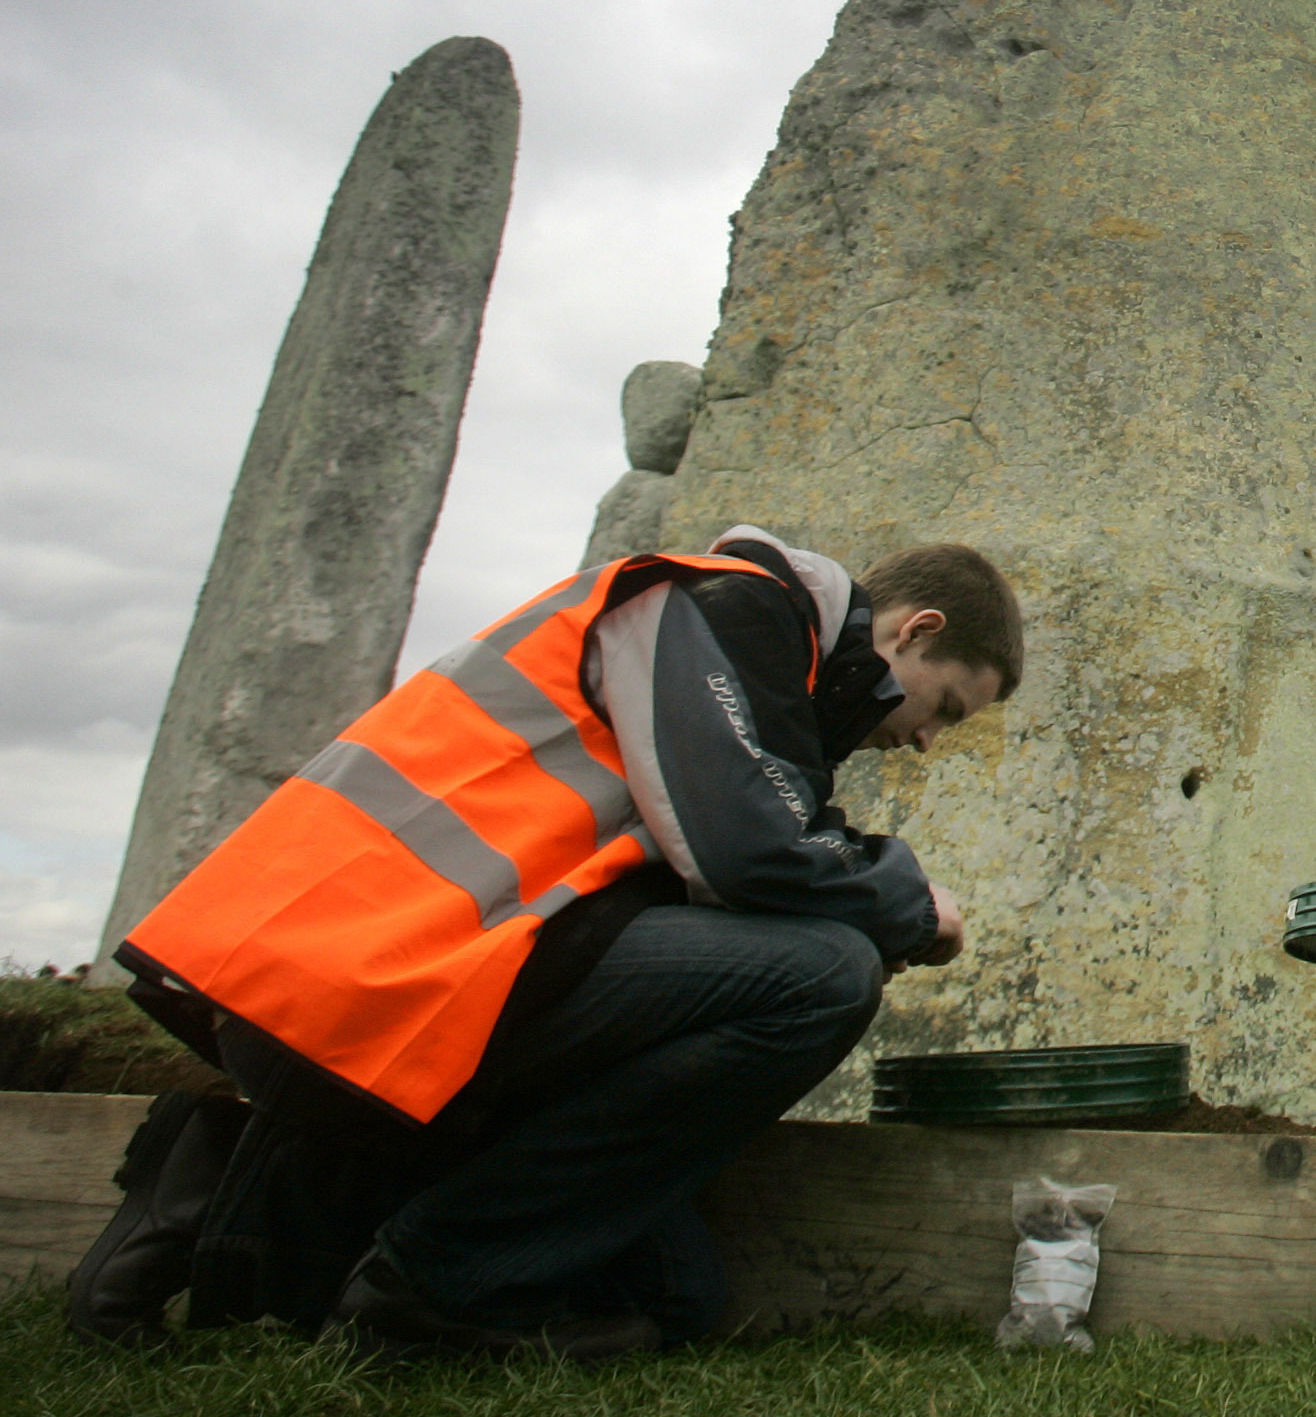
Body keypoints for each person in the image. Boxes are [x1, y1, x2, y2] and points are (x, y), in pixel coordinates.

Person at [70, 525, 1020, 1361]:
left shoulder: (770, 672)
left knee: (673, 1299)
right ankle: (429, 1292)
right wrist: (907, 905)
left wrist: (858, 886)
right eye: (945, 708)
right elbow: (750, 853)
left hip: (443, 979)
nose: (930, 740)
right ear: (915, 630)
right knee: (822, 976)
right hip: (372, 974)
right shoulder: (720, 604)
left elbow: (751, 846)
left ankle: (204, 1199)